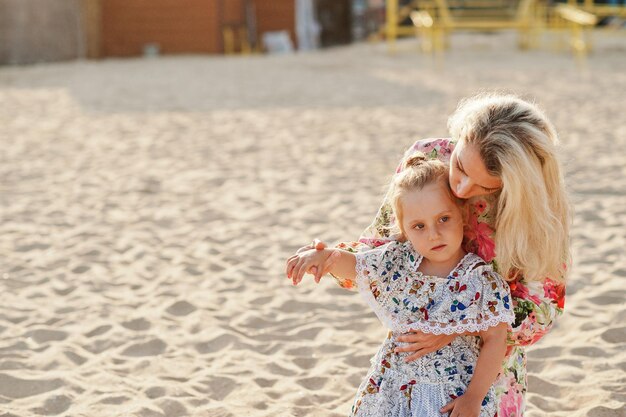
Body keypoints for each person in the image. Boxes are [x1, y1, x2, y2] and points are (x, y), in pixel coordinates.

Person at [299, 93, 570, 416]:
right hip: (413, 361)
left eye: (485, 187)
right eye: (460, 167)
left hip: (484, 372)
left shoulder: (536, 206)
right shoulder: (427, 158)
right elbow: (385, 246)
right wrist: (329, 257)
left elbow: (539, 314)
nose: (462, 189)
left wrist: (453, 325)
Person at [286, 153, 515, 417]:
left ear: (462, 214)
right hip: (394, 389)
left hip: (451, 395)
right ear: (404, 229)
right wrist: (322, 257)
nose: (433, 234)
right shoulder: (399, 261)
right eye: (419, 226)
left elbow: (495, 338)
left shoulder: (479, 279)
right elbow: (357, 264)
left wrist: (474, 397)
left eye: (444, 219)